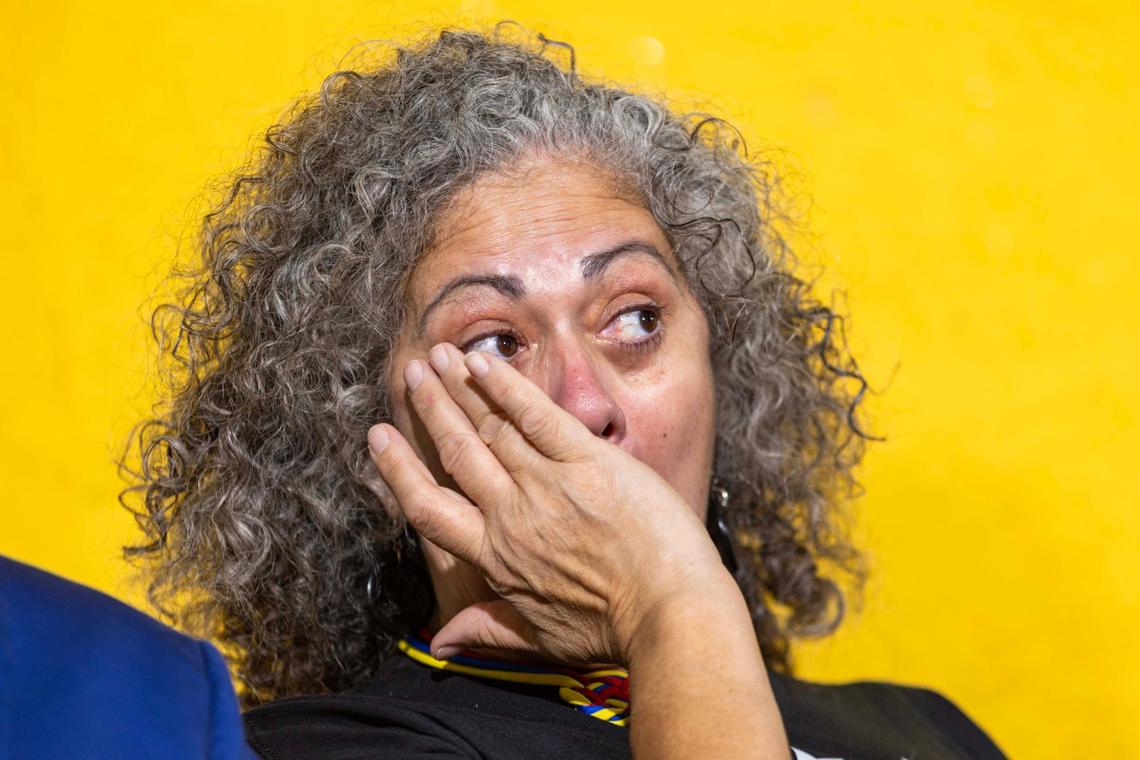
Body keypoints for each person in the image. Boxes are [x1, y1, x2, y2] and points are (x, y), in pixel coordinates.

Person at [118, 25, 1007, 758]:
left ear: (722, 370)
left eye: (633, 320)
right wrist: (673, 608)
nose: (584, 403)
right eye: (496, 343)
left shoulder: (926, 732)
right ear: (361, 433)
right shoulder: (326, 749)